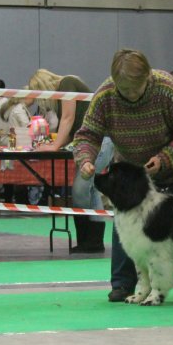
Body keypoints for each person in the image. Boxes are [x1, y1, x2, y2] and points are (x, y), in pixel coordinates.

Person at [76, 49, 173, 305]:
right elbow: (87, 135)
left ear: (148, 77)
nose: (131, 95)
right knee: (126, 227)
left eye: (136, 89)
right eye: (125, 90)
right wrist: (85, 159)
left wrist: (163, 159)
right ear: (115, 83)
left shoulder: (167, 89)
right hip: (133, 175)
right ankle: (122, 285)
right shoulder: (105, 96)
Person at [29, 69, 112, 253]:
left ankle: (91, 239)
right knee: (90, 190)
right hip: (91, 142)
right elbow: (71, 128)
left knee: (81, 189)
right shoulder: (63, 93)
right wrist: (54, 143)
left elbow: (69, 118)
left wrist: (53, 146)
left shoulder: (66, 84)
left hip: (99, 141)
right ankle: (91, 241)